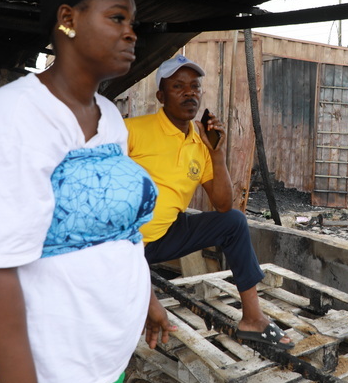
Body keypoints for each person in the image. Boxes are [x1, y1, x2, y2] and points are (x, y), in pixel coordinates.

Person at [0, 0, 175, 383]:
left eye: (134, 23)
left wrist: (147, 299)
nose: (132, 34)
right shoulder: (8, 120)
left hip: (102, 344)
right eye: (117, 18)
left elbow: (122, 229)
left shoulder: (110, 118)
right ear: (67, 19)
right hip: (44, 366)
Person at [125, 55, 293, 349]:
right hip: (123, 244)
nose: (189, 92)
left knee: (234, 222)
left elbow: (223, 205)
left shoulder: (200, 143)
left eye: (194, 86)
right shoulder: (132, 131)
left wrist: (216, 152)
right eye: (178, 86)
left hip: (165, 235)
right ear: (161, 96)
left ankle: (253, 318)